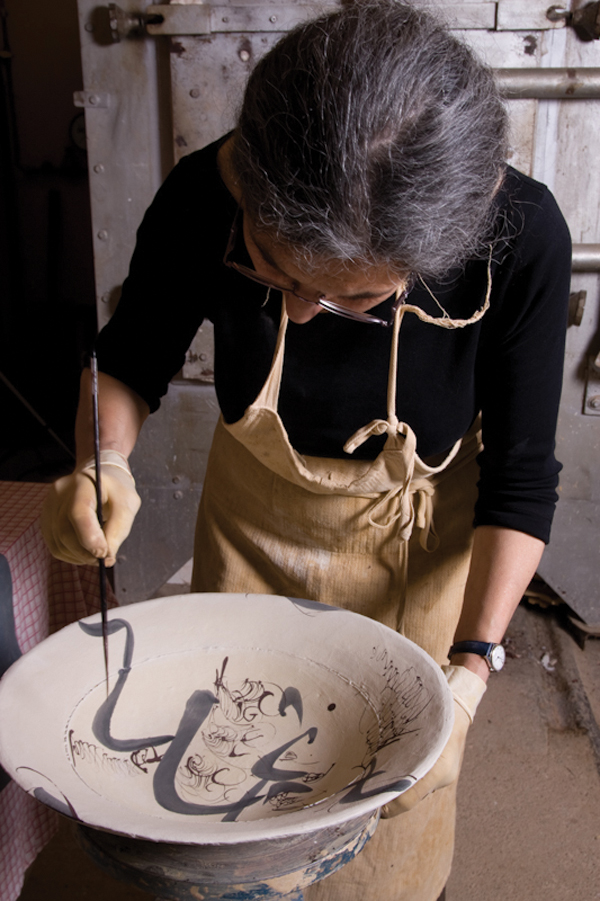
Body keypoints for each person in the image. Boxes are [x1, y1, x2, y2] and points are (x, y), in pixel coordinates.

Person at [41, 2, 571, 899]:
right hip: (252, 543)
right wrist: (106, 458)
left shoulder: (521, 239)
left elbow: (521, 480)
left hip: (421, 573)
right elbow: (128, 361)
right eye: (273, 271)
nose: (292, 312)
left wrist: (473, 669)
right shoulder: (205, 195)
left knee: (386, 855)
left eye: (346, 298)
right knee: (226, 819)